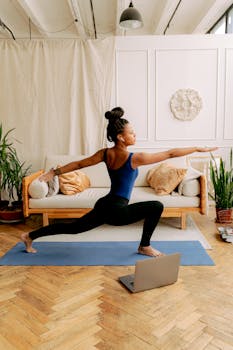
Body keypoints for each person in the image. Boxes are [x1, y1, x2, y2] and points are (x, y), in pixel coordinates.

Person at [21, 107, 217, 255]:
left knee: (74, 228)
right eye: (131, 133)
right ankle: (144, 246)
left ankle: (29, 237)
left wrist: (53, 173)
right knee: (156, 205)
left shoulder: (105, 153)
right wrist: (198, 149)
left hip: (106, 204)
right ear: (121, 137)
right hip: (117, 210)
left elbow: (80, 164)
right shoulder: (135, 158)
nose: (135, 135)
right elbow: (170, 153)